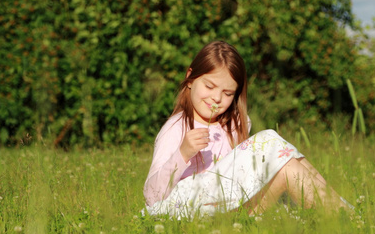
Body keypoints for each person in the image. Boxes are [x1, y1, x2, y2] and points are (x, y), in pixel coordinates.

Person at [143, 41, 353, 218]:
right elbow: (152, 197)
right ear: (190, 78)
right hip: (193, 213)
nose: (216, 98)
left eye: (227, 93)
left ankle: (342, 215)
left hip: (233, 212)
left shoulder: (233, 125)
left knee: (286, 165)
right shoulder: (176, 128)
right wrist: (183, 153)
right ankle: (346, 217)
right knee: (270, 140)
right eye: (209, 86)